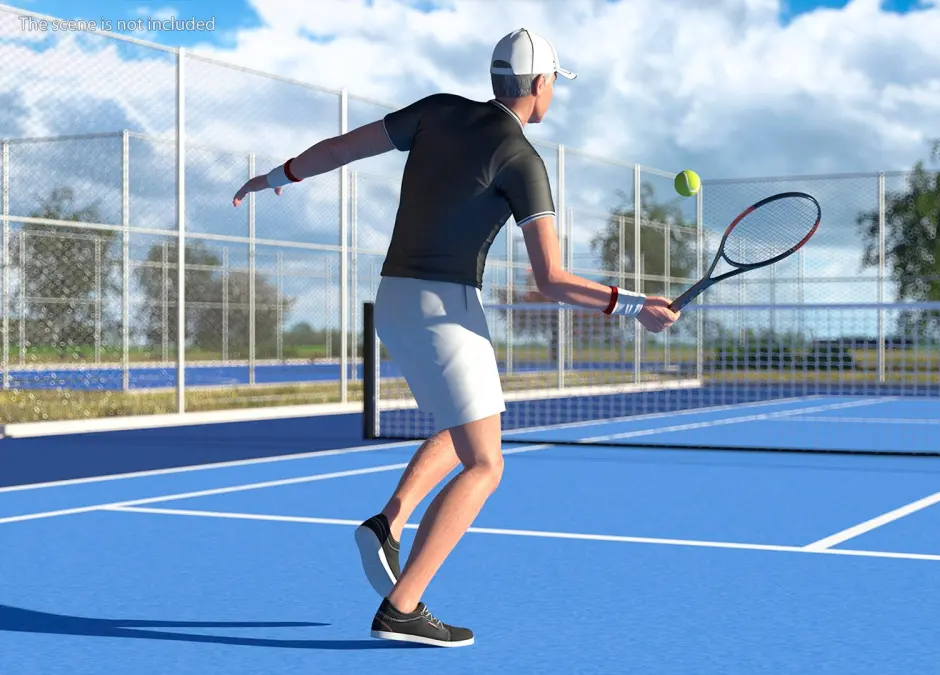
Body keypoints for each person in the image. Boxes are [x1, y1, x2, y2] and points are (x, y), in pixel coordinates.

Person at [233, 28, 680, 647]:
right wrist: (633, 306)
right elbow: (550, 279)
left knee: (469, 423)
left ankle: (389, 523)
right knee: (487, 464)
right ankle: (402, 607)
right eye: (554, 83)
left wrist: (276, 176)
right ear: (541, 84)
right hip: (445, 308)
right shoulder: (523, 160)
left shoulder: (436, 110)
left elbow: (341, 148)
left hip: (394, 299)